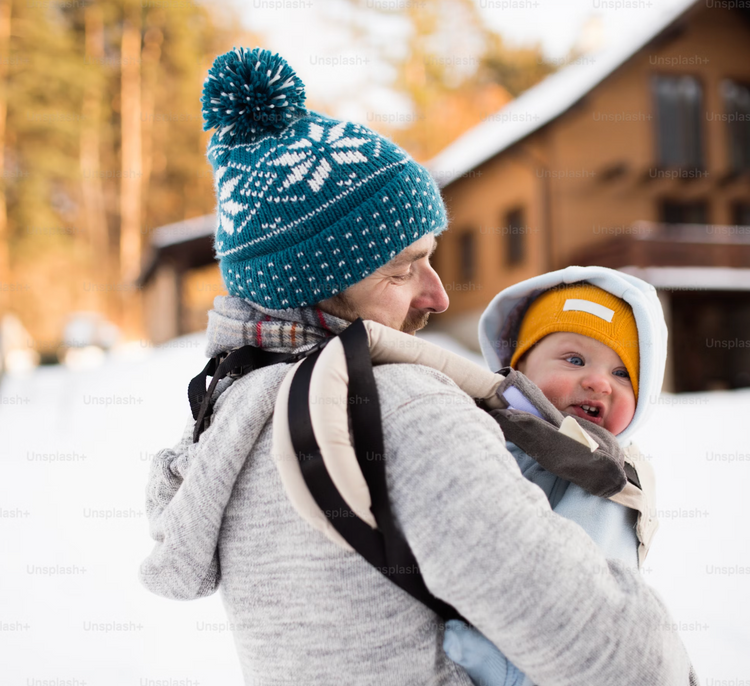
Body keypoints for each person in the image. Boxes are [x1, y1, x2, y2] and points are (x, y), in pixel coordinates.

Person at [139, 47, 697, 685]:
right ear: (314, 282)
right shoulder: (400, 408)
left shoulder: (230, 414)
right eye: (402, 270)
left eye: (430, 259)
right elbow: (599, 643)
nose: (438, 295)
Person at [442, 274, 666, 685]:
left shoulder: (605, 479)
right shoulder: (485, 429)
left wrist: (508, 668)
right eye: (575, 360)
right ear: (520, 366)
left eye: (622, 373)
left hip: (550, 659)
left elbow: (584, 600)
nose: (599, 382)